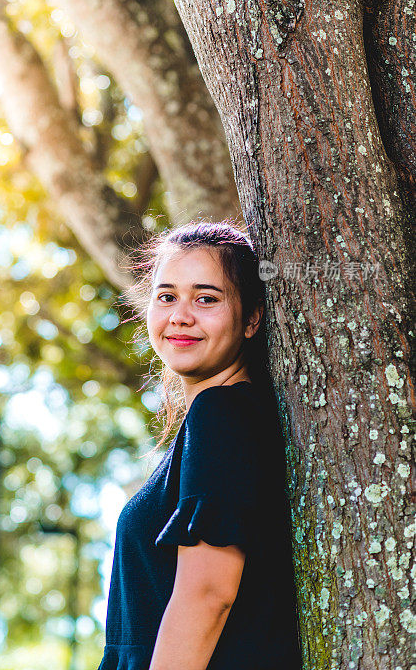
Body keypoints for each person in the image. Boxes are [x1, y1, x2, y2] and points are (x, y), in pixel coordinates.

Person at [96, 220, 303, 670]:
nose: (180, 315)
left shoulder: (224, 415)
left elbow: (208, 595)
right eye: (166, 296)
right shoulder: (224, 420)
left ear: (252, 318)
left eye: (206, 298)